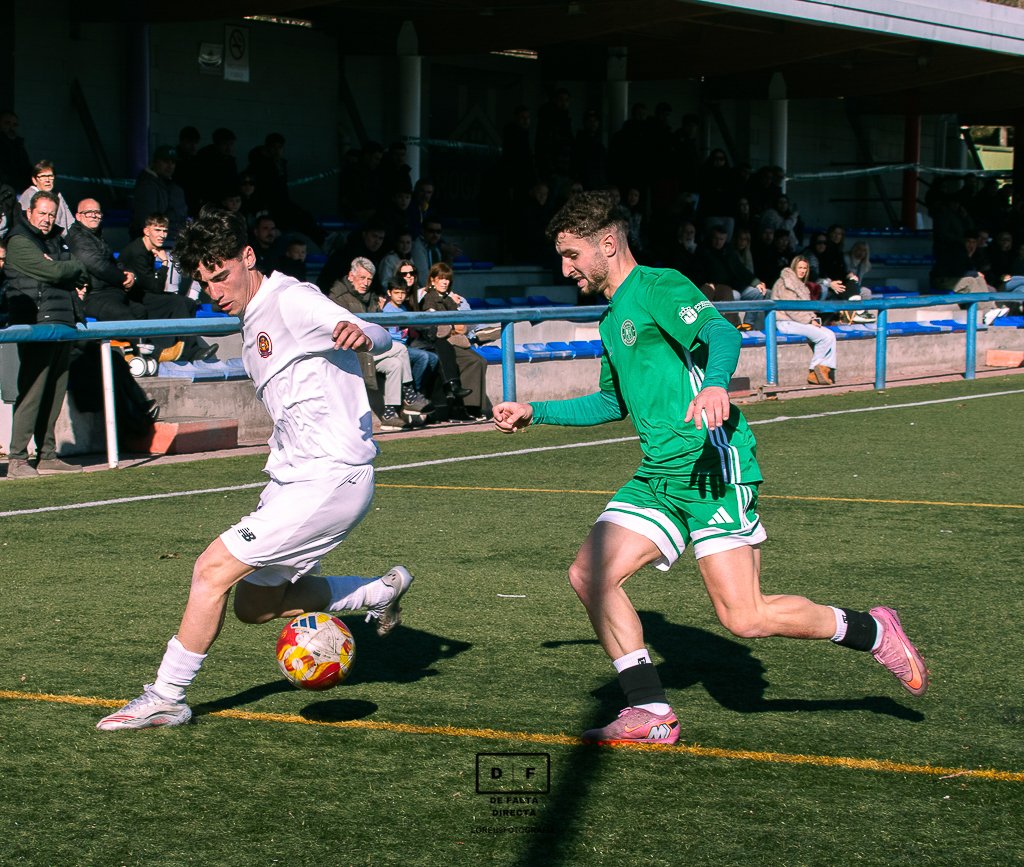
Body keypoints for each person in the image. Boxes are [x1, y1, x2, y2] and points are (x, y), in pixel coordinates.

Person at [492, 191, 928, 745]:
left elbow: (721, 332)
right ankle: (650, 712)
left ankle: (870, 630)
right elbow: (611, 403)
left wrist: (718, 382)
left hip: (711, 467)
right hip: (660, 474)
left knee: (745, 619)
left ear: (608, 242)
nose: (566, 268)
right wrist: (536, 410)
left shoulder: (658, 286)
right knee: (590, 575)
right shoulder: (610, 320)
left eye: (572, 254)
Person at [97, 207, 415, 731]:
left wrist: (357, 332)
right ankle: (379, 591)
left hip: (330, 476)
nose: (216, 290)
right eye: (205, 281)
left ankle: (166, 696)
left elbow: (381, 335)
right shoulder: (251, 320)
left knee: (210, 571)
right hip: (294, 478)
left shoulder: (290, 300)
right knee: (256, 606)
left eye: (222, 275)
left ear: (248, 257)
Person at [3, 191, 89, 478]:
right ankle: (17, 458)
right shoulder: (18, 240)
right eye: (42, 213)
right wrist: (66, 268)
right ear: (29, 212)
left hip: (64, 321)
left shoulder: (56, 239)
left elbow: (77, 270)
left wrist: (66, 268)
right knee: (33, 391)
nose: (47, 219)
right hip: (37, 323)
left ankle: (47, 454)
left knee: (54, 393)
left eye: (51, 214)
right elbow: (50, 271)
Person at [324, 256, 432, 432]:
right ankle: (410, 396)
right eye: (362, 278)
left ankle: (389, 415)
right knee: (401, 348)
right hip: (350, 353)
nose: (366, 283)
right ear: (351, 276)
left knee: (395, 364)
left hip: (367, 351)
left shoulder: (373, 297)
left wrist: (380, 308)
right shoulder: (338, 296)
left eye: (369, 279)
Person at [420, 262, 490, 421]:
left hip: (454, 340)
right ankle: (463, 408)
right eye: (441, 278)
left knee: (480, 361)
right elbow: (439, 329)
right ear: (432, 280)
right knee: (473, 361)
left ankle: (472, 406)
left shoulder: (449, 299)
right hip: (440, 343)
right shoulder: (429, 298)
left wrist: (452, 326)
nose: (445, 282)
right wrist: (452, 326)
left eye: (447, 279)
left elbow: (462, 327)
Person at [65, 198, 144, 322]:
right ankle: (127, 341)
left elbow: (114, 262)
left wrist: (130, 275)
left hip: (111, 291)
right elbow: (98, 266)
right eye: (89, 212)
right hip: (93, 295)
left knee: (141, 310)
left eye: (97, 212)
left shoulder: (98, 236)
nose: (95, 216)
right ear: (78, 216)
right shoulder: (76, 237)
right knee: (124, 314)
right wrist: (124, 278)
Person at [772, 255, 838, 385]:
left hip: (798, 321)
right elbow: (792, 310)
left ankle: (821, 369)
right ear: (794, 267)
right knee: (823, 337)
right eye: (800, 267)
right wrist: (809, 321)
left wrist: (813, 319)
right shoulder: (786, 282)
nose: (802, 271)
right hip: (785, 321)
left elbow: (806, 308)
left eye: (805, 268)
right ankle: (814, 370)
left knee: (831, 334)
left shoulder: (800, 284)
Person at [18, 160, 74, 234]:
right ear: (34, 180)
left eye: (50, 176)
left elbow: (70, 223)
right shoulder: (29, 195)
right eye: (43, 176)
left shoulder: (57, 195)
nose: (47, 180)